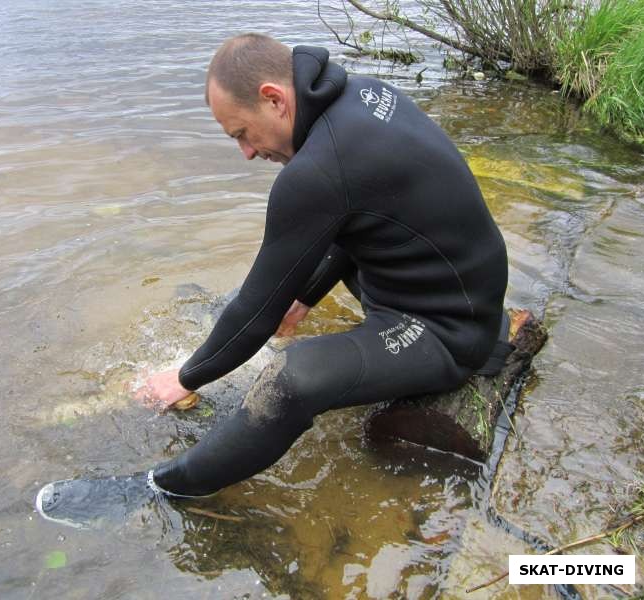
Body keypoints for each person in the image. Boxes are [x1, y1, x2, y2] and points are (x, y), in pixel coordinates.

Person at [36, 33, 509, 524]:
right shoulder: (362, 95)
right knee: (283, 282)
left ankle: (161, 488)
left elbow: (256, 312)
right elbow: (367, 219)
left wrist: (183, 378)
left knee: (290, 379)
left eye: (241, 132)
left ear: (274, 99)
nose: (245, 151)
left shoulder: (319, 170)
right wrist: (304, 295)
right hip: (467, 290)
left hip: (449, 331)